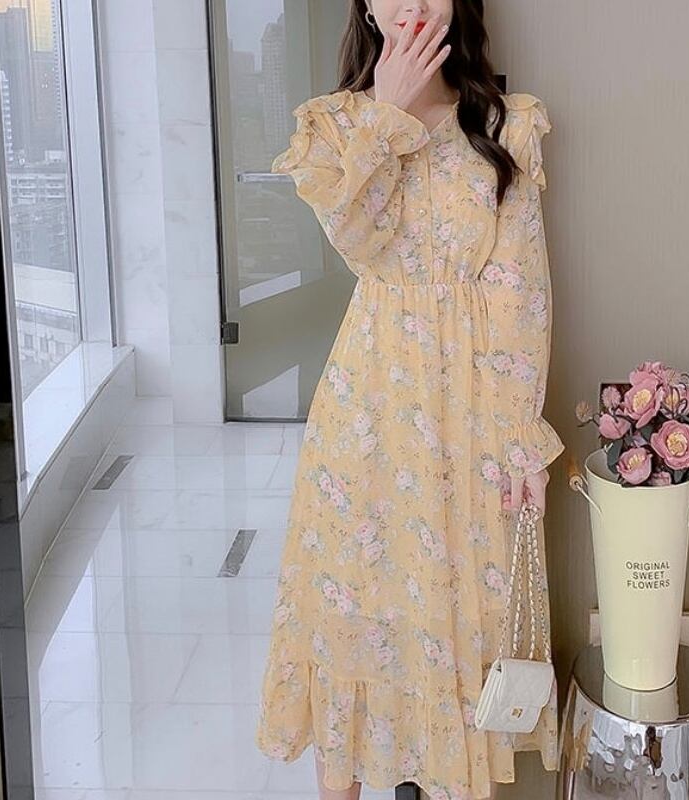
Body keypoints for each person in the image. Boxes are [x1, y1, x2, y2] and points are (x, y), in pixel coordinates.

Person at [256, 1, 565, 798]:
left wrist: (520, 436)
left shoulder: (504, 124)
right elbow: (356, 241)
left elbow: (521, 292)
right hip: (368, 409)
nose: (413, 4)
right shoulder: (336, 126)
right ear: (366, 3)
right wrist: (386, 115)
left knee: (463, 618)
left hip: (474, 407)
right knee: (352, 615)